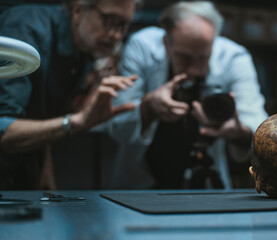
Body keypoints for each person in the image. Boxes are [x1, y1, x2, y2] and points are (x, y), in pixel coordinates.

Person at [108, 1, 268, 189]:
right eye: (184, 57)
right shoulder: (142, 47)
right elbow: (117, 127)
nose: (194, 70)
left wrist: (239, 132)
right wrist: (148, 107)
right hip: (139, 183)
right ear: (166, 43)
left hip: (206, 186)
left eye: (203, 57)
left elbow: (260, 130)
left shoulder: (234, 58)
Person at [0, 0, 141, 189]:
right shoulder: (25, 29)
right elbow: (3, 130)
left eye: (124, 25)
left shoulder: (84, 49)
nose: (116, 35)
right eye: (109, 20)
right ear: (77, 10)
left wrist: (45, 170)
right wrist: (76, 122)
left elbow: (43, 113)